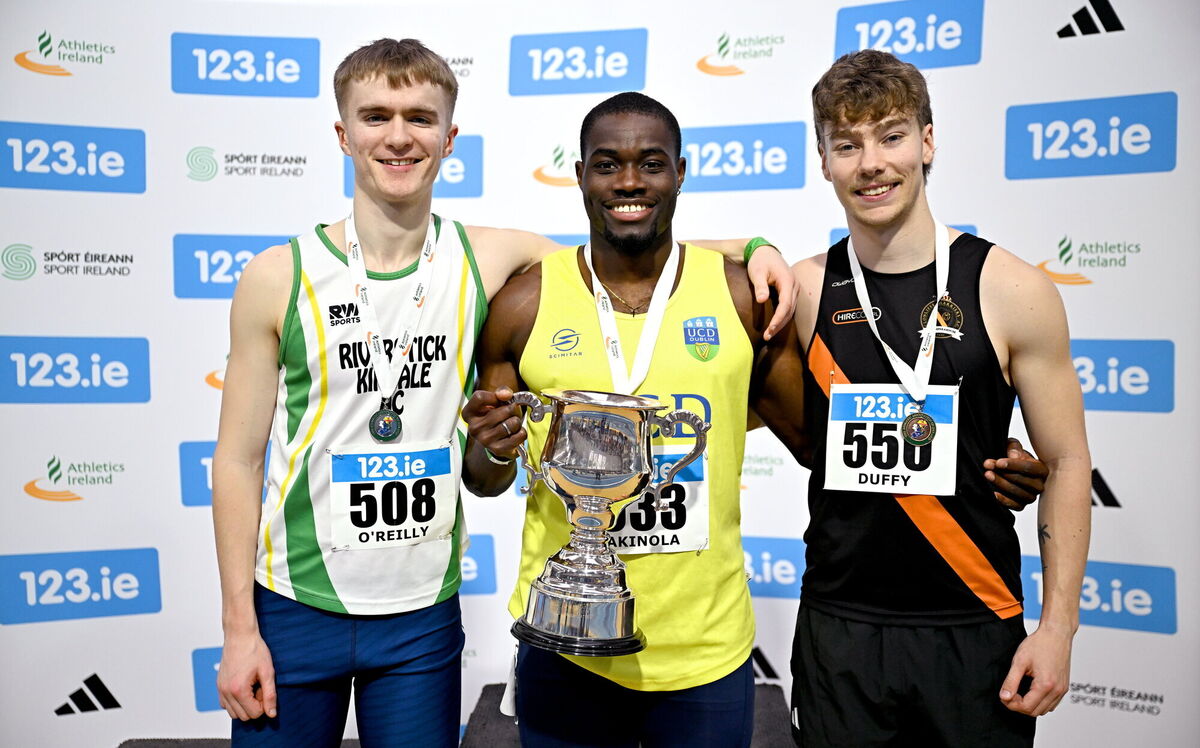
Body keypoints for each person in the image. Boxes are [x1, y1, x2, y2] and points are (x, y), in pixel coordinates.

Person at [209, 39, 795, 746]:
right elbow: (236, 463)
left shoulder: (489, 258)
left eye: (420, 118)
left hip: (421, 615)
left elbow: (629, 236)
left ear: (449, 138)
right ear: (343, 133)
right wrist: (239, 628)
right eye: (376, 116)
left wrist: (755, 245)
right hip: (296, 603)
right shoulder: (277, 275)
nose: (399, 136)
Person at [461, 91, 1047, 748]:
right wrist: (491, 445)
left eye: (650, 163)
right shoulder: (524, 303)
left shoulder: (740, 295)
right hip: (564, 637)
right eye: (608, 164)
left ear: (680, 171)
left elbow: (823, 443)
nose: (629, 181)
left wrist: (983, 455)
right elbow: (484, 479)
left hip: (705, 653)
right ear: (580, 176)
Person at [788, 49, 1091, 747]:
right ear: (825, 160)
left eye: (891, 135)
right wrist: (753, 245)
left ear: (927, 141)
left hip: (973, 626)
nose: (871, 163)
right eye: (847, 144)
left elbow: (1069, 464)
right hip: (840, 631)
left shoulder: (1012, 289)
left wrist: (1057, 630)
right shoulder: (804, 291)